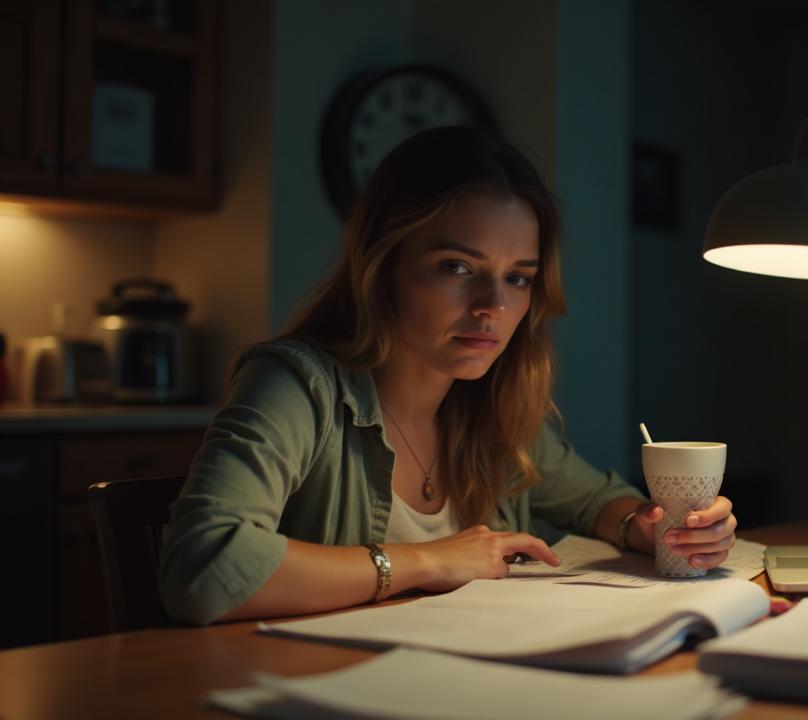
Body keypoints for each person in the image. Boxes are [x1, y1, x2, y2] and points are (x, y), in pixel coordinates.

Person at [158, 126, 738, 626]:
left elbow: (596, 502)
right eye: (457, 267)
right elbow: (206, 566)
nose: (493, 305)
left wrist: (650, 526)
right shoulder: (296, 385)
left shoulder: (489, 407)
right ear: (383, 266)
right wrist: (429, 559)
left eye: (518, 277)